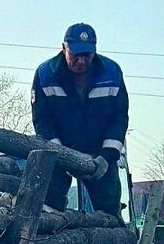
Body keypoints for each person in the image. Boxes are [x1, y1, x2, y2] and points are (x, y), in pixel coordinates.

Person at [31, 23, 129, 217]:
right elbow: (42, 120)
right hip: (60, 150)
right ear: (63, 48)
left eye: (87, 55)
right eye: (76, 55)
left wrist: (107, 157)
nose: (82, 61)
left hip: (99, 153)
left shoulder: (112, 73)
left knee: (109, 208)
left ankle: (114, 242)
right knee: (49, 204)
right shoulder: (45, 75)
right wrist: (58, 153)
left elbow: (119, 118)